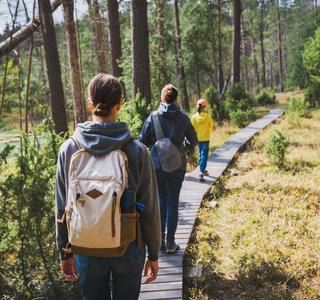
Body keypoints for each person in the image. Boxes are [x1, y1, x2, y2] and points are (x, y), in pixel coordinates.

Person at [55, 73, 161, 300]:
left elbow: (62, 206)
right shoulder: (137, 150)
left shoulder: (69, 149)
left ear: (90, 103)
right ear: (120, 104)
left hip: (85, 245)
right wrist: (153, 253)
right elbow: (150, 208)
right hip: (129, 245)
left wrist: (64, 251)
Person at [139, 84, 198, 254]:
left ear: (162, 98)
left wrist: (157, 144)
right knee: (172, 202)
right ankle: (171, 243)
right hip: (177, 165)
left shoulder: (153, 117)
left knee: (160, 202)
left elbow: (143, 140)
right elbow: (193, 141)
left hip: (157, 165)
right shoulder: (183, 118)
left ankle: (159, 241)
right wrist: (180, 146)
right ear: (176, 99)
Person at [191, 99, 213, 182]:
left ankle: (203, 170)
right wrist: (207, 133)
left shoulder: (194, 117)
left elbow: (193, 129)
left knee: (200, 154)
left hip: (198, 138)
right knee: (204, 154)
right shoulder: (207, 117)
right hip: (206, 138)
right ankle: (201, 171)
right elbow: (211, 127)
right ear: (204, 107)